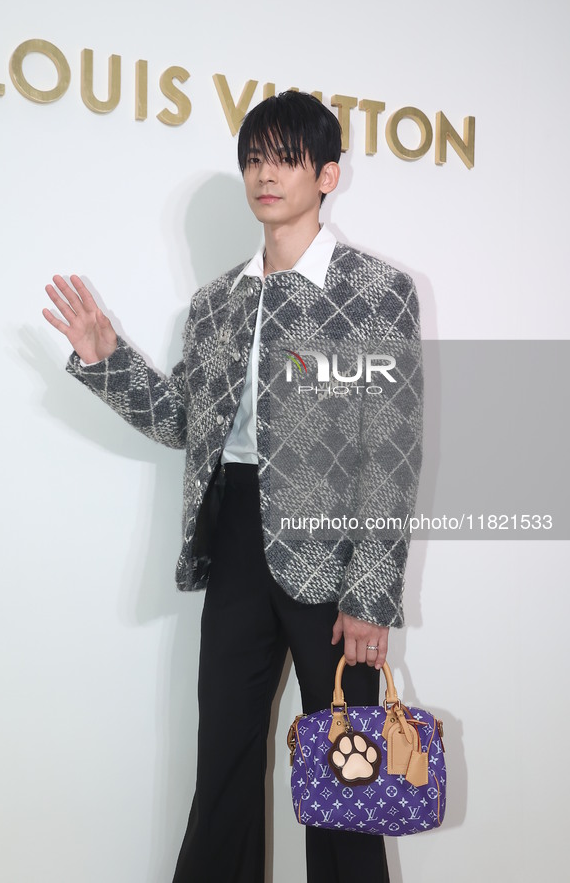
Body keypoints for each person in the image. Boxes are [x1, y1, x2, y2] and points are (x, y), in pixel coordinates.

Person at [43, 91, 423, 883]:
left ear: (327, 175)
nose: (264, 174)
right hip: (239, 541)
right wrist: (107, 357)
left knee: (346, 772)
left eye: (284, 158)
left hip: (334, 555)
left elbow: (390, 449)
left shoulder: (374, 291)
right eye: (253, 158)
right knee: (222, 759)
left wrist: (371, 592)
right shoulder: (217, 302)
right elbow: (187, 421)